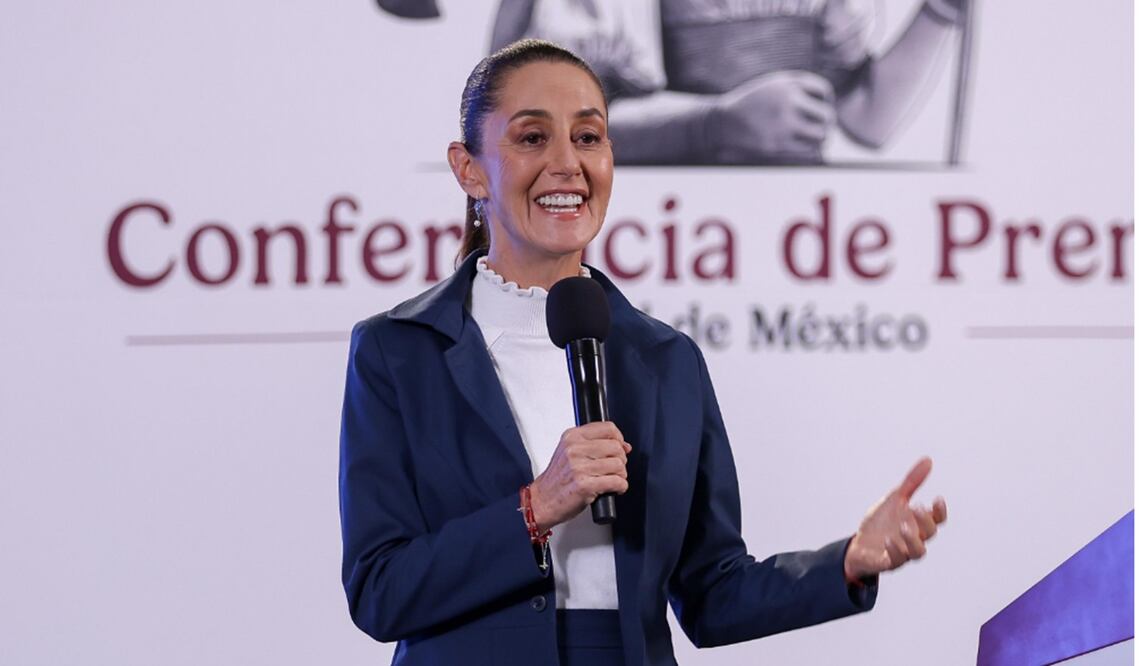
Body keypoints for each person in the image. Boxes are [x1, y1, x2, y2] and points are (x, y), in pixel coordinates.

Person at [339, 39, 948, 665]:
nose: (566, 165)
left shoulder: (666, 359)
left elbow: (712, 593)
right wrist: (535, 508)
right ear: (469, 169)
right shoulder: (397, 351)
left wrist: (845, 561)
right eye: (530, 139)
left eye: (587, 138)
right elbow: (380, 592)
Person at [490, 0, 967, 164]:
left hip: (803, 237)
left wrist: (939, 14)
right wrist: (714, 124)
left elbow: (868, 120)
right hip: (673, 240)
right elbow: (548, 127)